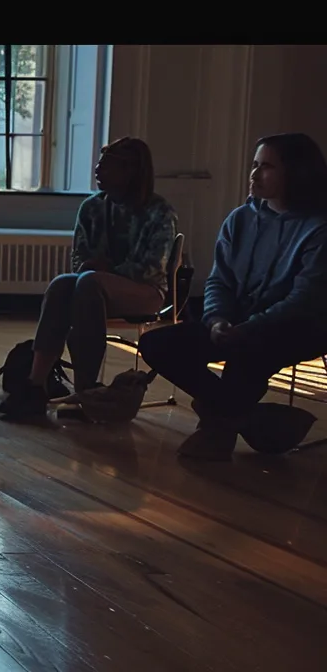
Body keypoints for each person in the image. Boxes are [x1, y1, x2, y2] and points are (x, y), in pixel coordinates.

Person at [139, 133, 327, 460]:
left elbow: (303, 301)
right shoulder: (240, 219)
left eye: (266, 166)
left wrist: (249, 328)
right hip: (234, 322)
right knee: (155, 344)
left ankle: (217, 425)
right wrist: (217, 320)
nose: (254, 174)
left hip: (298, 327)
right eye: (254, 165)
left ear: (296, 173)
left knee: (247, 353)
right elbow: (219, 280)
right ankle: (241, 418)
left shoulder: (318, 229)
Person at [0, 138, 175, 418]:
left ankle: (85, 390)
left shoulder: (158, 211)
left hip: (146, 292)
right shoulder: (92, 208)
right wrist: (93, 269)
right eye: (99, 163)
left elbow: (150, 267)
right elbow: (78, 259)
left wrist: (103, 271)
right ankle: (36, 384)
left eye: (107, 165)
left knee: (90, 282)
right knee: (62, 284)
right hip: (93, 288)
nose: (97, 170)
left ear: (130, 171)